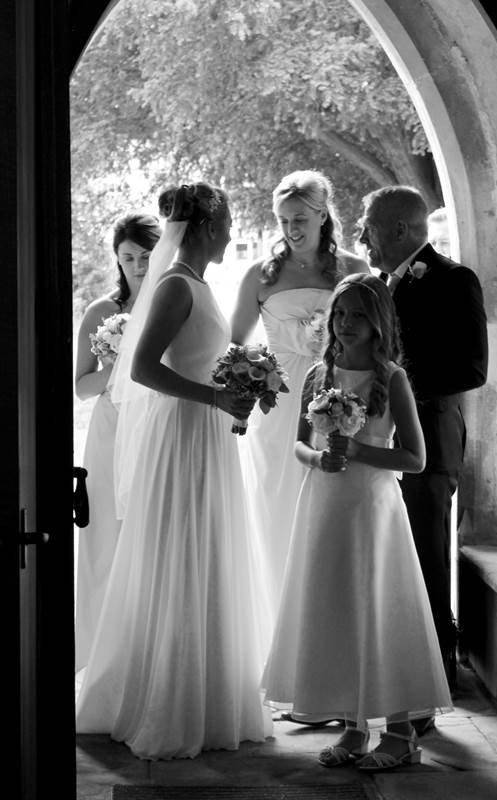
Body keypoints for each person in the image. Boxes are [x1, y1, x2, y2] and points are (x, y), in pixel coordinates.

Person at [76, 182, 272, 760]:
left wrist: (239, 382)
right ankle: (169, 700)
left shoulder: (199, 284)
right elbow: (138, 369)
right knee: (180, 550)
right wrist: (213, 398)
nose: (233, 232)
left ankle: (209, 695)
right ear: (208, 226)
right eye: (230, 221)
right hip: (183, 436)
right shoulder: (173, 286)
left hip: (205, 434)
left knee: (205, 551)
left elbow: (199, 360)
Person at [262, 273, 451, 770]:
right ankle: (352, 726)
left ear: (379, 322)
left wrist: (361, 449)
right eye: (340, 313)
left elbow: (415, 459)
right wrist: (317, 459)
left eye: (358, 315)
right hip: (324, 503)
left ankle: (401, 731)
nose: (345, 324)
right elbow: (301, 444)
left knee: (377, 608)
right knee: (336, 605)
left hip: (371, 509)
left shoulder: (392, 378)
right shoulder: (318, 375)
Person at [358, 186, 488, 705]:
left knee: (428, 557)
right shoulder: (378, 285)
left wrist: (398, 390)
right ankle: (396, 670)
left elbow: (472, 368)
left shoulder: (454, 280)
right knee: (393, 556)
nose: (361, 235)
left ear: (398, 230)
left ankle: (434, 681)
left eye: (367, 225)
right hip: (376, 442)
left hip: (429, 440)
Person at [230, 169, 367, 632]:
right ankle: (278, 630)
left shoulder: (354, 270)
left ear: (323, 215)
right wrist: (253, 379)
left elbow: (377, 341)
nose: (292, 229)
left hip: (336, 403)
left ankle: (329, 629)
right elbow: (235, 346)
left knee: (329, 517)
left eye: (301, 218)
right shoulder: (260, 276)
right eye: (284, 220)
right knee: (278, 514)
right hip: (279, 407)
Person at [74, 212, 161, 672]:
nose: (137, 266)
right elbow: (81, 388)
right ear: (117, 260)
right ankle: (99, 659)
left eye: (146, 256)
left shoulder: (171, 303)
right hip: (111, 432)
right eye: (128, 258)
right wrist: (113, 365)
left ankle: (145, 658)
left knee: (147, 542)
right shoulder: (101, 312)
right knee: (107, 539)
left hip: (156, 428)